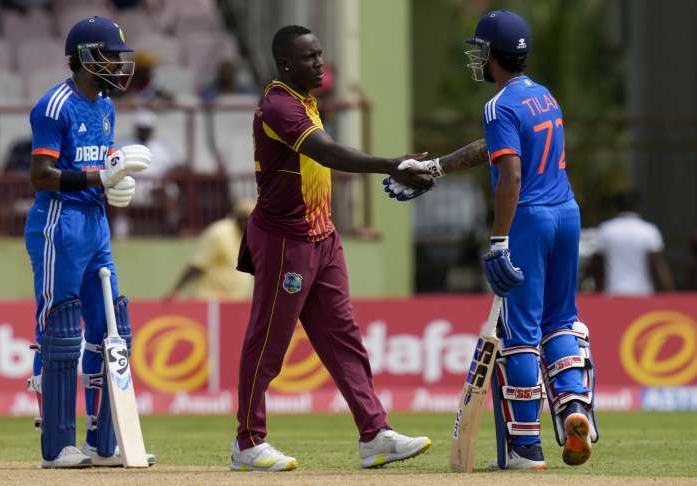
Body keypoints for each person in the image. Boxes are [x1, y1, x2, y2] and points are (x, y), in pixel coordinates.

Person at [385, 10, 599, 470]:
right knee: (561, 320)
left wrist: (500, 240)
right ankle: (575, 408)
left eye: (480, 50)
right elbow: (494, 149)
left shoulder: (497, 105)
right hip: (567, 215)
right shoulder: (544, 97)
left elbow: (511, 174)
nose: (476, 58)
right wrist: (436, 168)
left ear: (493, 55)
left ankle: (526, 448)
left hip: (529, 220)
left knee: (519, 333)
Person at [230, 25, 433, 472]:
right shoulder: (279, 105)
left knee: (344, 340)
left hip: (321, 237)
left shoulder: (304, 99)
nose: (320, 63)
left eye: (320, 54)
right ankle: (247, 442)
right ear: (285, 63)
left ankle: (375, 435)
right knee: (268, 342)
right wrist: (392, 165)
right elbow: (326, 153)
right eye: (309, 57)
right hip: (287, 240)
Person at [24, 16, 155, 468]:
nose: (119, 64)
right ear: (84, 57)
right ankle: (58, 445)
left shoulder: (104, 106)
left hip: (95, 223)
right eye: (110, 55)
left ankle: (104, 444)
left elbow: (103, 165)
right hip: (58, 225)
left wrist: (113, 186)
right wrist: (99, 176)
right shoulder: (54, 106)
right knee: (61, 330)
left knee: (110, 325)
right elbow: (41, 176)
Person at [164, 198, 255, 301]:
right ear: (239, 217)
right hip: (210, 301)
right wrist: (175, 290)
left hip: (234, 303)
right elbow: (198, 265)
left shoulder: (249, 236)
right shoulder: (220, 233)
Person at [588, 191, 674, 295]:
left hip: (613, 294)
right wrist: (669, 294)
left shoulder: (606, 230)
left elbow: (596, 266)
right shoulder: (649, 231)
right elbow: (658, 266)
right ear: (639, 207)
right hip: (643, 294)